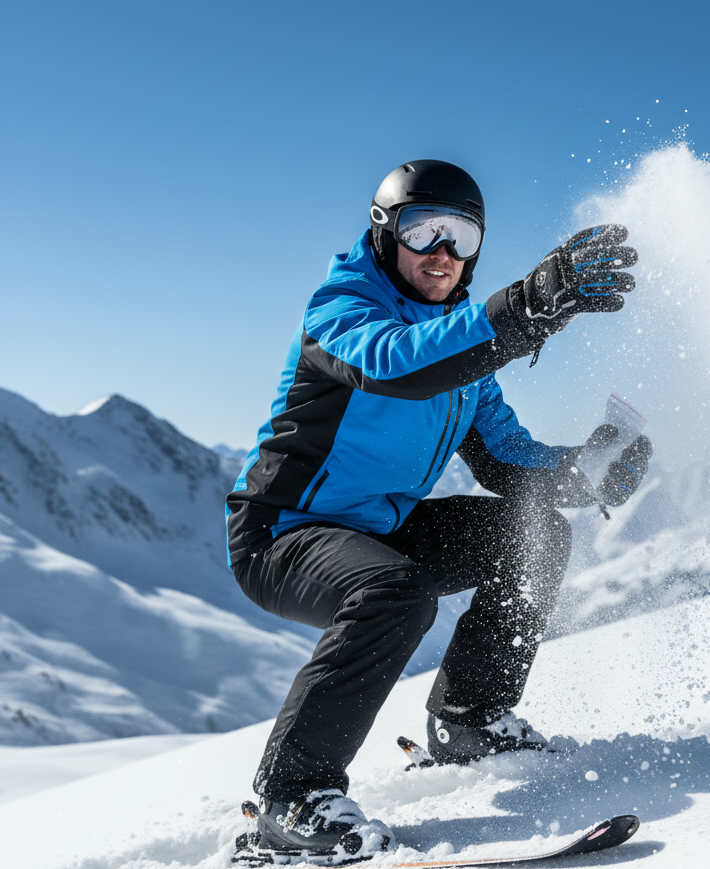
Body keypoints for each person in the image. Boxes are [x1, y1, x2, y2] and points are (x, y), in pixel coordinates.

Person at [225, 159, 652, 859]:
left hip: (381, 528)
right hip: (283, 532)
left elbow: (504, 456)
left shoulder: (462, 345)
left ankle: (469, 720)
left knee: (533, 532)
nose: (444, 253)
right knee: (394, 592)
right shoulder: (342, 311)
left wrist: (585, 471)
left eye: (463, 237)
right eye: (424, 231)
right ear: (385, 233)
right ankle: (290, 797)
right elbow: (398, 364)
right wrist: (522, 309)